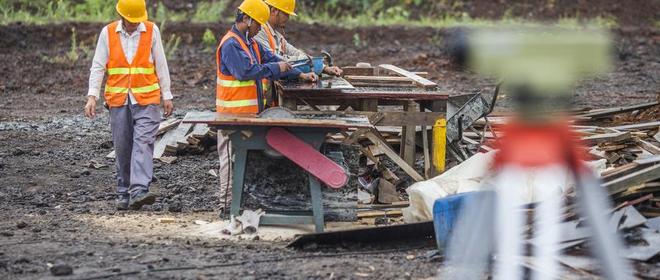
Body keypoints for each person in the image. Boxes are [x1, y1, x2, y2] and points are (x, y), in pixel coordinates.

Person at [216, 0, 317, 212]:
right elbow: (246, 71)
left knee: (246, 158)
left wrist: (298, 73)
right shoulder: (231, 44)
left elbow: (272, 58)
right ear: (247, 19)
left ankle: (242, 202)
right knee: (230, 159)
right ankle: (226, 205)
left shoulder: (250, 43)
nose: (261, 29)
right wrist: (275, 67)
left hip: (250, 114)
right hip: (231, 115)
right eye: (258, 24)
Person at [84, 0, 174, 210]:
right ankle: (124, 192)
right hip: (119, 100)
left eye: (137, 21)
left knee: (143, 142)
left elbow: (161, 63)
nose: (135, 24)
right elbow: (98, 66)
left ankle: (139, 189)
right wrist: (92, 96)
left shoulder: (152, 31)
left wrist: (167, 94)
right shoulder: (107, 33)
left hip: (147, 99)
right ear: (122, 17)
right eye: (131, 21)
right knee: (123, 147)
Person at [254, 0, 343, 76]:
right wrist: (305, 64)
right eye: (285, 14)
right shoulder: (259, 32)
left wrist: (324, 68)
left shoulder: (277, 36)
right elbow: (274, 60)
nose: (288, 18)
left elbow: (295, 53)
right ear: (273, 11)